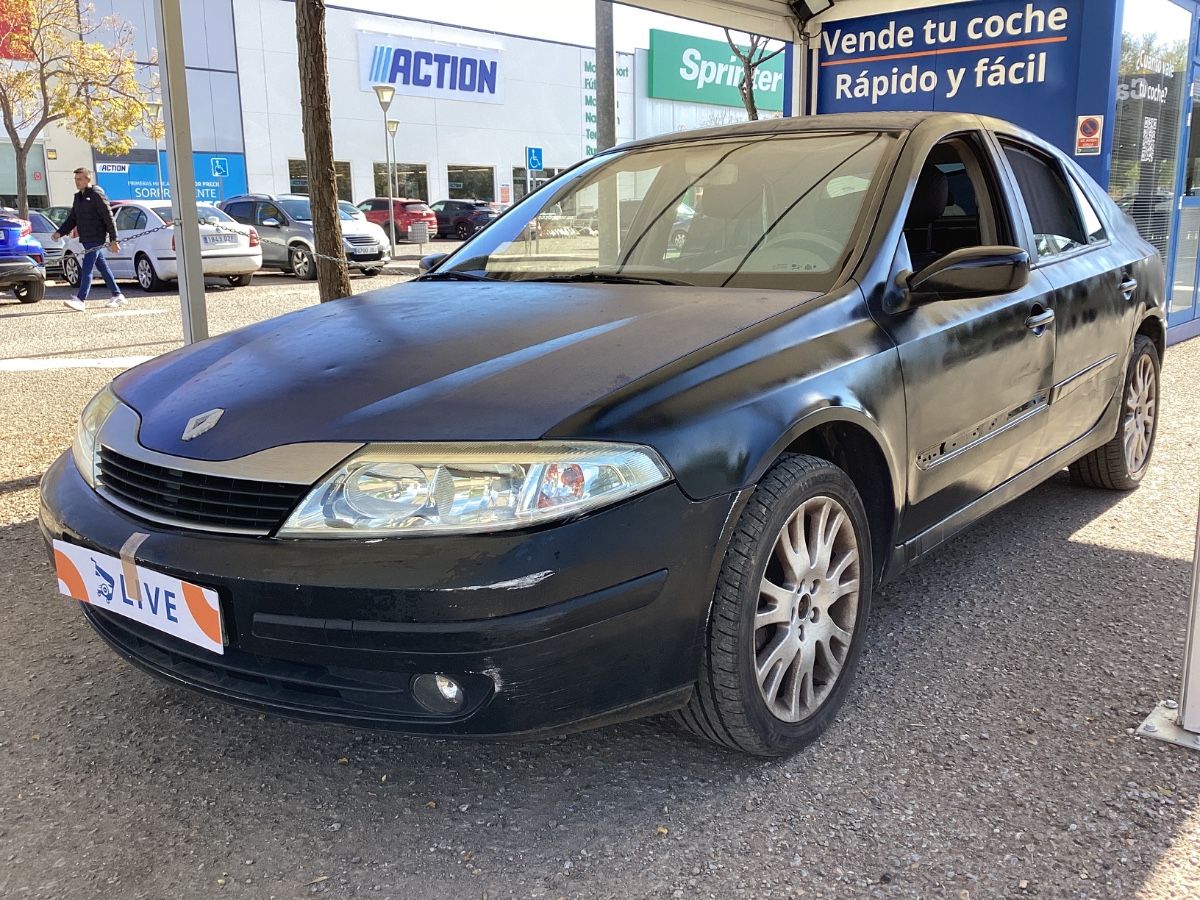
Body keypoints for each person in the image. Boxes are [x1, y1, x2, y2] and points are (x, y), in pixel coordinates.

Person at [52, 167, 126, 312]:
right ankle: (117, 294)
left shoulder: (96, 194)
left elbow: (108, 217)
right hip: (86, 238)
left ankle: (81, 299)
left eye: (80, 179)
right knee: (102, 267)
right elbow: (73, 218)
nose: (77, 182)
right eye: (75, 179)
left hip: (97, 237)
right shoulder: (78, 197)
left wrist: (114, 239)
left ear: (88, 179)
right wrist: (60, 232)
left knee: (87, 267)